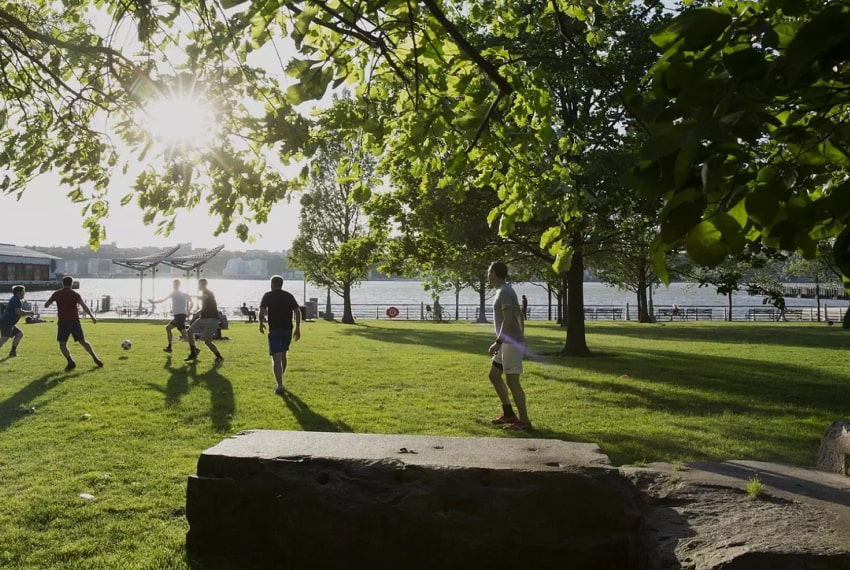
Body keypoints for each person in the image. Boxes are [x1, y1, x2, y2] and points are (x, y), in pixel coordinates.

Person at [486, 261, 530, 431]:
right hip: (507, 342)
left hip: (509, 343)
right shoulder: (504, 290)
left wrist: (499, 342)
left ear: (495, 273)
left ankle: (524, 421)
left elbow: (509, 319)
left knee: (513, 382)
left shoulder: (504, 292)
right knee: (494, 375)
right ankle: (508, 413)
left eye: (489, 272)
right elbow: (519, 315)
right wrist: (522, 336)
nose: (488, 276)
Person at [44, 276, 103, 371]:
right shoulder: (75, 294)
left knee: (62, 344)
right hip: (75, 321)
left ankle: (70, 361)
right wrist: (92, 317)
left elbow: (47, 305)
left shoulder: (57, 293)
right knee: (83, 341)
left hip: (63, 322)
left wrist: (48, 304)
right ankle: (95, 357)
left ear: (62, 283)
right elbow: (84, 306)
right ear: (72, 284)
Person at [259, 275, 302, 396]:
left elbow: (262, 311)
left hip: (274, 330)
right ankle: (280, 378)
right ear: (281, 284)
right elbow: (297, 311)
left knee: (276, 358)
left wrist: (261, 324)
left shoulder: (268, 295)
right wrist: (298, 328)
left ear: (272, 284)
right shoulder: (288, 296)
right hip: (287, 329)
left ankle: (280, 385)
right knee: (283, 354)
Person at [184, 278, 224, 364]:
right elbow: (207, 305)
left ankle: (219, 357)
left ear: (202, 285)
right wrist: (199, 312)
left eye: (198, 284)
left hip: (212, 320)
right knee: (189, 332)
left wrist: (191, 296)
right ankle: (193, 352)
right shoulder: (204, 293)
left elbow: (204, 297)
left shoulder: (208, 292)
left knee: (207, 341)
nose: (197, 286)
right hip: (203, 319)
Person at [149, 279, 193, 353]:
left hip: (179, 316)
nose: (173, 285)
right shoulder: (184, 293)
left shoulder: (174, 293)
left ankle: (195, 349)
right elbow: (192, 302)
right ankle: (169, 347)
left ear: (177, 285)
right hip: (180, 315)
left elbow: (163, 300)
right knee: (168, 328)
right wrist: (188, 311)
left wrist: (153, 302)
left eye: (174, 284)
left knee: (185, 335)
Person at [0, 285, 34, 357]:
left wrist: (26, 313)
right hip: (7, 322)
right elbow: (18, 312)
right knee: (4, 338)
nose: (24, 293)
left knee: (19, 334)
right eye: (23, 292)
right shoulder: (16, 300)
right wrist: (30, 312)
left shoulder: (15, 299)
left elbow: (19, 312)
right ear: (18, 293)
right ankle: (12, 352)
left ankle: (13, 351)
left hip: (9, 322)